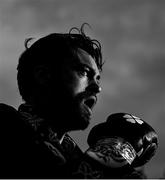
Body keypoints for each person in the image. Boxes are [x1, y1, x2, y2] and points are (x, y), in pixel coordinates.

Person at [0, 24, 149, 178]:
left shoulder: (72, 156)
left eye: (98, 79)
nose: (97, 88)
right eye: (84, 72)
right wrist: (115, 150)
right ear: (43, 75)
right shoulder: (5, 125)